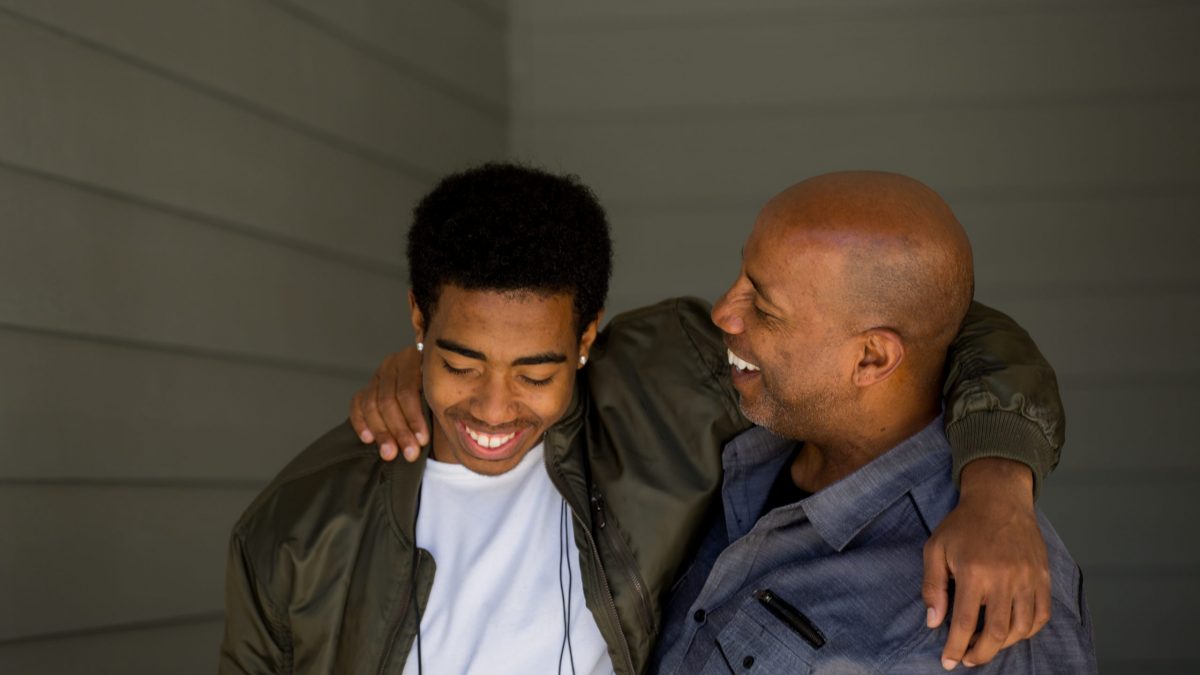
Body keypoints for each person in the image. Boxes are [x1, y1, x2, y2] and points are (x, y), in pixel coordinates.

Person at [224, 163, 1064, 675]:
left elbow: (942, 322)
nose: (491, 405)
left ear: (586, 337)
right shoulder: (296, 529)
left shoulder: (667, 384)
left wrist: (997, 481)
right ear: (417, 319)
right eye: (458, 359)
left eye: (537, 368)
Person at [647, 171, 1096, 672]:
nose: (723, 313)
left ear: (872, 359)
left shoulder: (990, 604)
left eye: (765, 307)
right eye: (741, 277)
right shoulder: (730, 415)